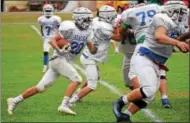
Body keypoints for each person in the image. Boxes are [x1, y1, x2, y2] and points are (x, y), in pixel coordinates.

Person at [7, 7, 97, 116]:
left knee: (40, 87)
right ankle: (64, 105)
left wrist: (95, 48)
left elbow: (92, 50)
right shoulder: (70, 28)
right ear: (79, 19)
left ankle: (14, 100)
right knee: (77, 79)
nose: (89, 22)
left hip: (63, 62)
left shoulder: (87, 32)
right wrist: (59, 49)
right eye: (87, 20)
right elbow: (52, 40)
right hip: (59, 59)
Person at [113, 1, 188, 122]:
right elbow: (159, 36)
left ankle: (125, 116)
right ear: (171, 10)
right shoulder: (161, 17)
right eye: (180, 12)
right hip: (145, 55)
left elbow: (176, 39)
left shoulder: (174, 23)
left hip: (156, 60)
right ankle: (120, 102)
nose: (182, 16)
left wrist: (182, 44)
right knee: (148, 89)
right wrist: (178, 43)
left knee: (149, 97)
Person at [116, 0, 172, 108]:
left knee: (134, 74)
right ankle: (162, 98)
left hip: (142, 47)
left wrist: (125, 30)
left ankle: (145, 96)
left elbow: (120, 31)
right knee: (160, 73)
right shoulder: (156, 7)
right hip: (155, 43)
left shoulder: (129, 13)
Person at [68, 5, 119, 107]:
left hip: (89, 55)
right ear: (107, 16)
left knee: (97, 77)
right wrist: (119, 27)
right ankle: (70, 102)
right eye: (112, 15)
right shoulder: (105, 27)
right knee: (92, 85)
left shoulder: (96, 21)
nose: (114, 17)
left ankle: (78, 92)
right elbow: (118, 38)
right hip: (89, 58)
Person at [38, 4, 62, 72]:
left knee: (58, 53)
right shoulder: (41, 19)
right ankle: (45, 66)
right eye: (47, 10)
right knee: (45, 52)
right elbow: (42, 27)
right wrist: (43, 35)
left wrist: (59, 36)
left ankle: (58, 66)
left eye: (49, 10)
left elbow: (59, 28)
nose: (48, 12)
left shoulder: (56, 19)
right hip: (47, 38)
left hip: (54, 38)